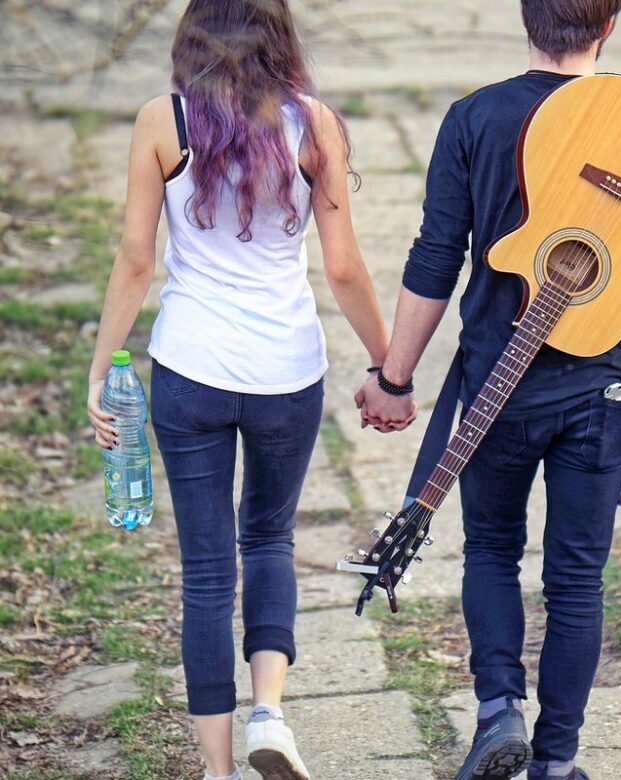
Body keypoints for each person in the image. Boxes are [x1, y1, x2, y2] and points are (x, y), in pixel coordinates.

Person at [356, 2, 621, 778]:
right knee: (577, 581)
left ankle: (497, 711)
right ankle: (557, 761)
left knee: (491, 551)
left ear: (524, 15)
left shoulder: (475, 118)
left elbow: (435, 256)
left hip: (494, 387)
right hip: (599, 391)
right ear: (609, 24)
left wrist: (395, 377)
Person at [85, 2, 389, 778]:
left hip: (190, 371)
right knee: (270, 539)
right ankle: (269, 714)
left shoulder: (163, 120)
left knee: (207, 573)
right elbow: (344, 267)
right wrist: (389, 365)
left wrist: (100, 367)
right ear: (280, 37)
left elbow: (135, 259)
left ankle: (219, 772)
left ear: (192, 36)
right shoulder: (313, 124)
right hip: (286, 372)